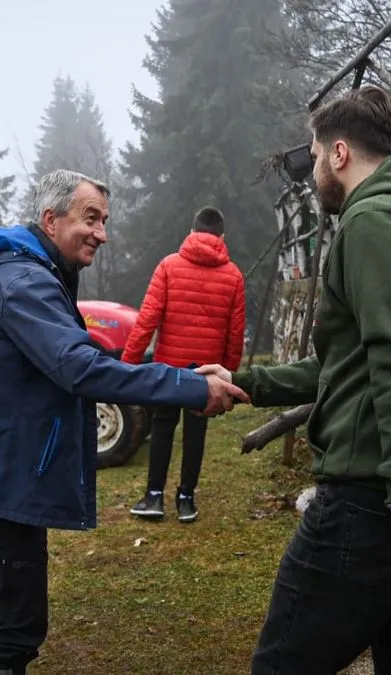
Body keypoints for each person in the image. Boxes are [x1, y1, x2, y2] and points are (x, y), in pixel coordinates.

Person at [197, 85, 391, 674]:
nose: (311, 173)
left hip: (379, 502)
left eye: (311, 155)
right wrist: (249, 383)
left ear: (337, 153)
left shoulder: (375, 222)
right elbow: (351, 364)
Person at [0, 169, 249, 675]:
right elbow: (80, 367)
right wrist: (190, 388)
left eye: (105, 220)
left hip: (1, 474)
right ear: (51, 220)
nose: (102, 233)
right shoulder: (24, 283)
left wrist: (186, 374)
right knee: (16, 628)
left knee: (1, 607)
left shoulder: (31, 273)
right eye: (91, 219)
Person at [121, 205, 246, 523]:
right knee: (196, 432)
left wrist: (128, 364)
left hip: (169, 369)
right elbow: (235, 334)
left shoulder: (168, 266)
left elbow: (147, 319)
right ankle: (186, 498)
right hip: (207, 375)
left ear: (191, 233)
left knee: (162, 427)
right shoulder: (233, 276)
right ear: (222, 237)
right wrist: (228, 379)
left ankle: (153, 497)